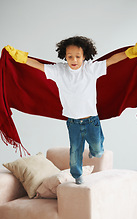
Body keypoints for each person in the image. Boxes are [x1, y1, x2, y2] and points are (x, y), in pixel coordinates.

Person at [5, 36, 128, 184]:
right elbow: (38, 65)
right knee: (75, 152)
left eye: (78, 56)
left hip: (92, 120)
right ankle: (77, 175)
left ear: (84, 57)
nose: (74, 60)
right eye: (70, 56)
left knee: (98, 150)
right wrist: (20, 57)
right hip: (73, 122)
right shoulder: (59, 70)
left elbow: (112, 60)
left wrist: (129, 53)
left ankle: (95, 151)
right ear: (65, 56)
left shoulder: (90, 69)